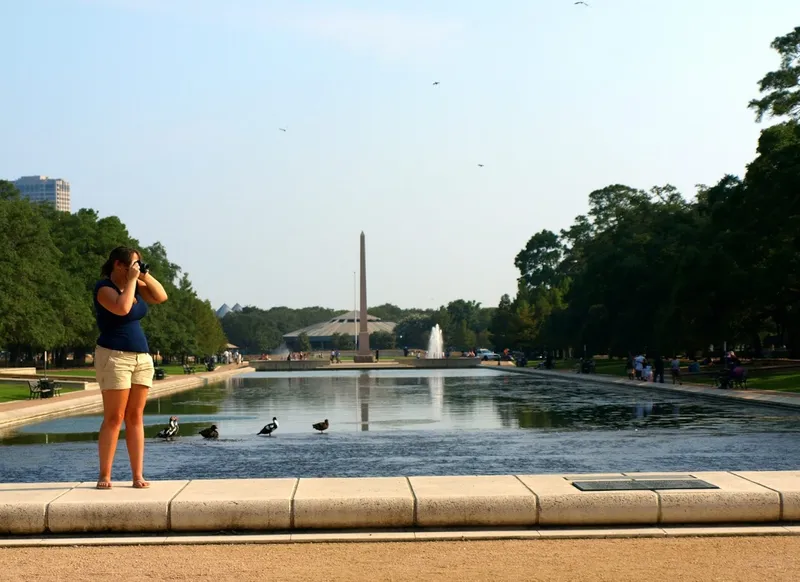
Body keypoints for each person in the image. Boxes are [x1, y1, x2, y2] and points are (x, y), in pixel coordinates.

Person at [94, 246, 168, 490]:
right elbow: (123, 308)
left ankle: (138, 475)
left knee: (135, 416)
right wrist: (133, 281)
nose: (135, 269)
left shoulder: (136, 283)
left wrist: (144, 276)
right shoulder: (104, 289)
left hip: (141, 359)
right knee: (114, 417)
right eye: (132, 265)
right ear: (118, 265)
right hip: (114, 357)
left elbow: (161, 296)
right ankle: (105, 475)